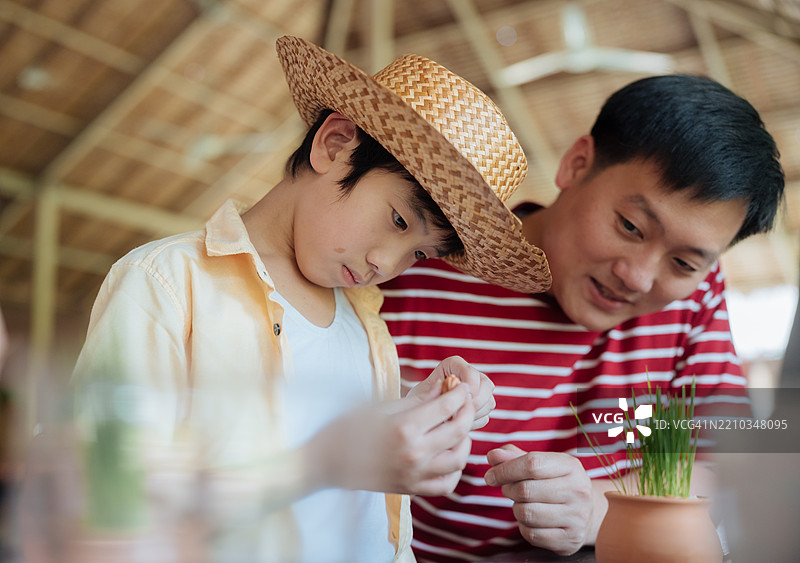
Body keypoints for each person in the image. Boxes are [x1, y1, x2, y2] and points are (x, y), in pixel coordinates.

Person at [64, 36, 551, 563]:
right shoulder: (165, 284)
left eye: (420, 255)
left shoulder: (364, 323)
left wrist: (418, 402)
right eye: (398, 220)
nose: (387, 265)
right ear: (336, 144)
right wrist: (326, 461)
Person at [380, 74, 785, 561]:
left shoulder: (692, 299)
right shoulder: (419, 270)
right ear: (577, 165)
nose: (637, 277)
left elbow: (723, 464)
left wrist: (598, 509)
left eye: (683, 263)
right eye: (630, 226)